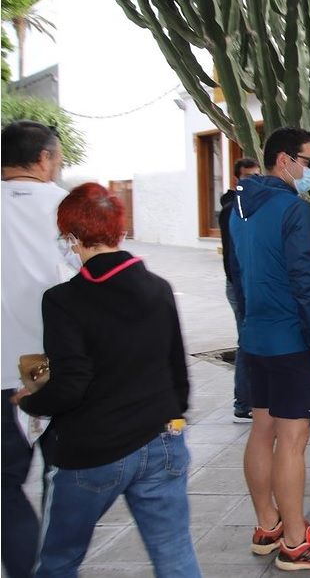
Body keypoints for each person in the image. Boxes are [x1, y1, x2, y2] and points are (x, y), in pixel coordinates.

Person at [15, 183, 199, 577]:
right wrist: (174, 421)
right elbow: (178, 374)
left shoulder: (64, 299)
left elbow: (69, 386)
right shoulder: (158, 288)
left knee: (58, 561)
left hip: (92, 453)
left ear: (73, 237)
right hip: (164, 439)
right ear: (118, 230)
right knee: (175, 556)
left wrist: (29, 401)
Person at [228, 127, 310, 570]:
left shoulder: (239, 208)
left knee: (263, 429)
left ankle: (268, 526)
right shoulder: (292, 210)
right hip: (290, 340)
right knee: (293, 441)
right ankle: (297, 543)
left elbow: (237, 277)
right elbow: (305, 281)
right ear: (285, 160)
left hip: (256, 339)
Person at [1, 120, 67, 578]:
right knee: (58, 474)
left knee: (4, 481)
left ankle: (25, 566)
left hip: (2, 362)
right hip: (49, 362)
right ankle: (56, 564)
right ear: (44, 158)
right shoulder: (66, 206)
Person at [219, 157, 261, 423]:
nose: (252, 181)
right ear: (237, 180)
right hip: (238, 286)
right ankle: (243, 402)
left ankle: (252, 398)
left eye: (256, 176)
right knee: (246, 343)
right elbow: (236, 258)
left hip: (249, 284)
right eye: (247, 177)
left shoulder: (251, 206)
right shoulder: (231, 210)